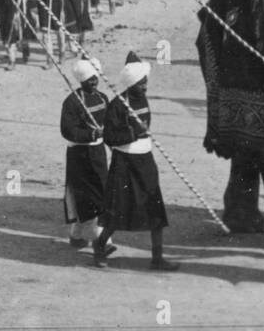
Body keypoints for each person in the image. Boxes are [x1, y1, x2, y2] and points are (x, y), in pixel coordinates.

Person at [94, 52, 179, 271]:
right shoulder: (117, 105)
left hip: (145, 160)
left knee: (155, 210)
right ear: (131, 84)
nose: (145, 87)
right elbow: (110, 138)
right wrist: (133, 133)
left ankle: (157, 258)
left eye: (145, 82)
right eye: (141, 83)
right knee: (117, 211)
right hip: (124, 161)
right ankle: (100, 245)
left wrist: (142, 133)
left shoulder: (141, 99)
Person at [62, 57, 110, 251]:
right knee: (86, 195)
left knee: (100, 191)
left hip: (98, 152)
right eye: (89, 80)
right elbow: (67, 130)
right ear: (81, 81)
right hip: (79, 154)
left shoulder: (103, 98)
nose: (93, 82)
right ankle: (102, 242)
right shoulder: (72, 102)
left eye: (95, 79)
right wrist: (91, 134)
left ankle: (76, 234)